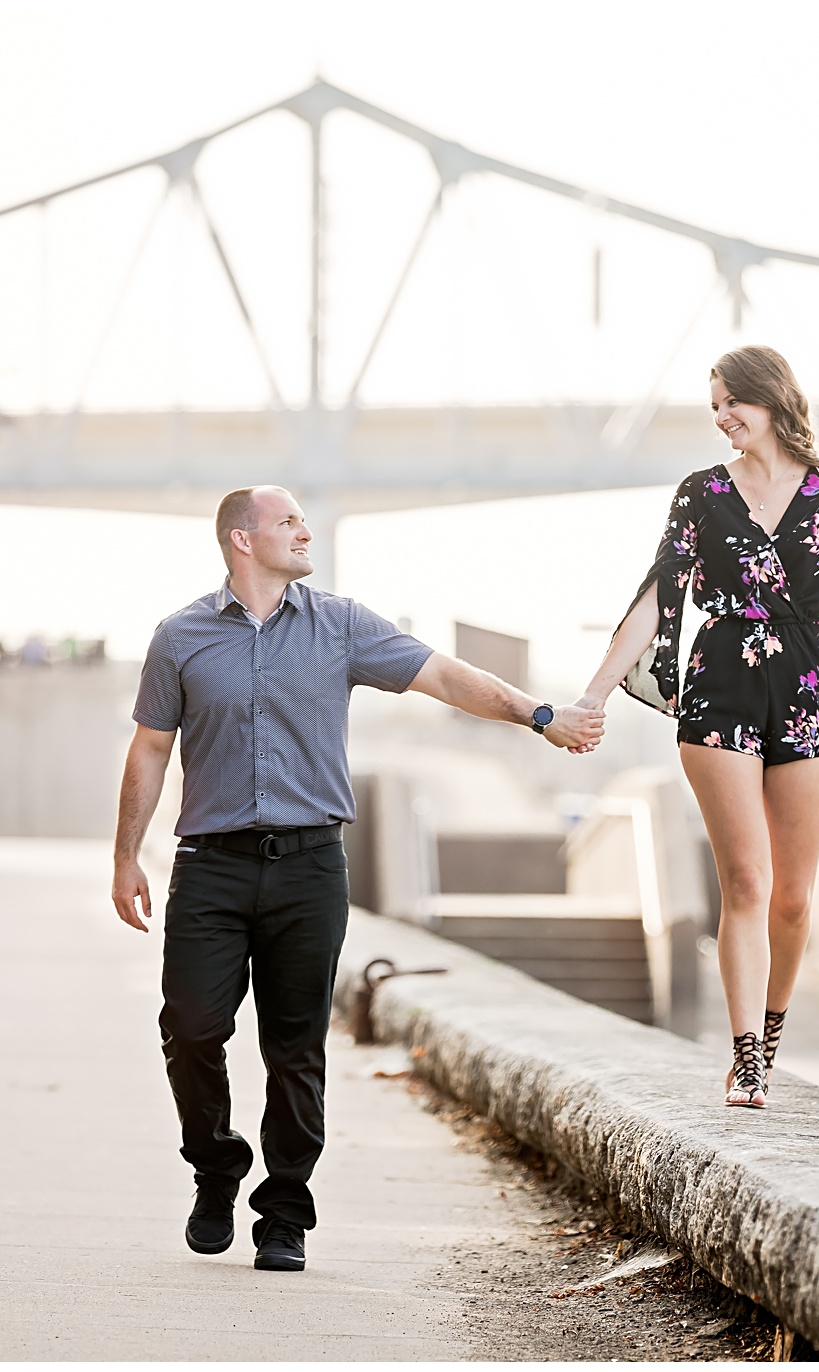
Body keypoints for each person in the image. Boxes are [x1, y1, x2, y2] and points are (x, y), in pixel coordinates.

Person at [110, 484, 604, 1272]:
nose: (307, 531)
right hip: (211, 869)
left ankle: (284, 1214)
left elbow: (445, 678)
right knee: (192, 1029)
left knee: (295, 1046)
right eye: (289, 522)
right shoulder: (181, 636)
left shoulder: (342, 626)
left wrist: (538, 715)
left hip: (310, 868)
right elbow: (149, 748)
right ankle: (215, 1167)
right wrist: (125, 854)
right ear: (242, 539)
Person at [575, 345, 819, 1109]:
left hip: (806, 689)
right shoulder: (700, 494)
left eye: (734, 402)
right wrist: (595, 693)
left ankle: (769, 1035)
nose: (724, 417)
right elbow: (659, 597)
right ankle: (745, 1061)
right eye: (715, 407)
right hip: (720, 685)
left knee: (793, 899)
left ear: (772, 400)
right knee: (747, 882)